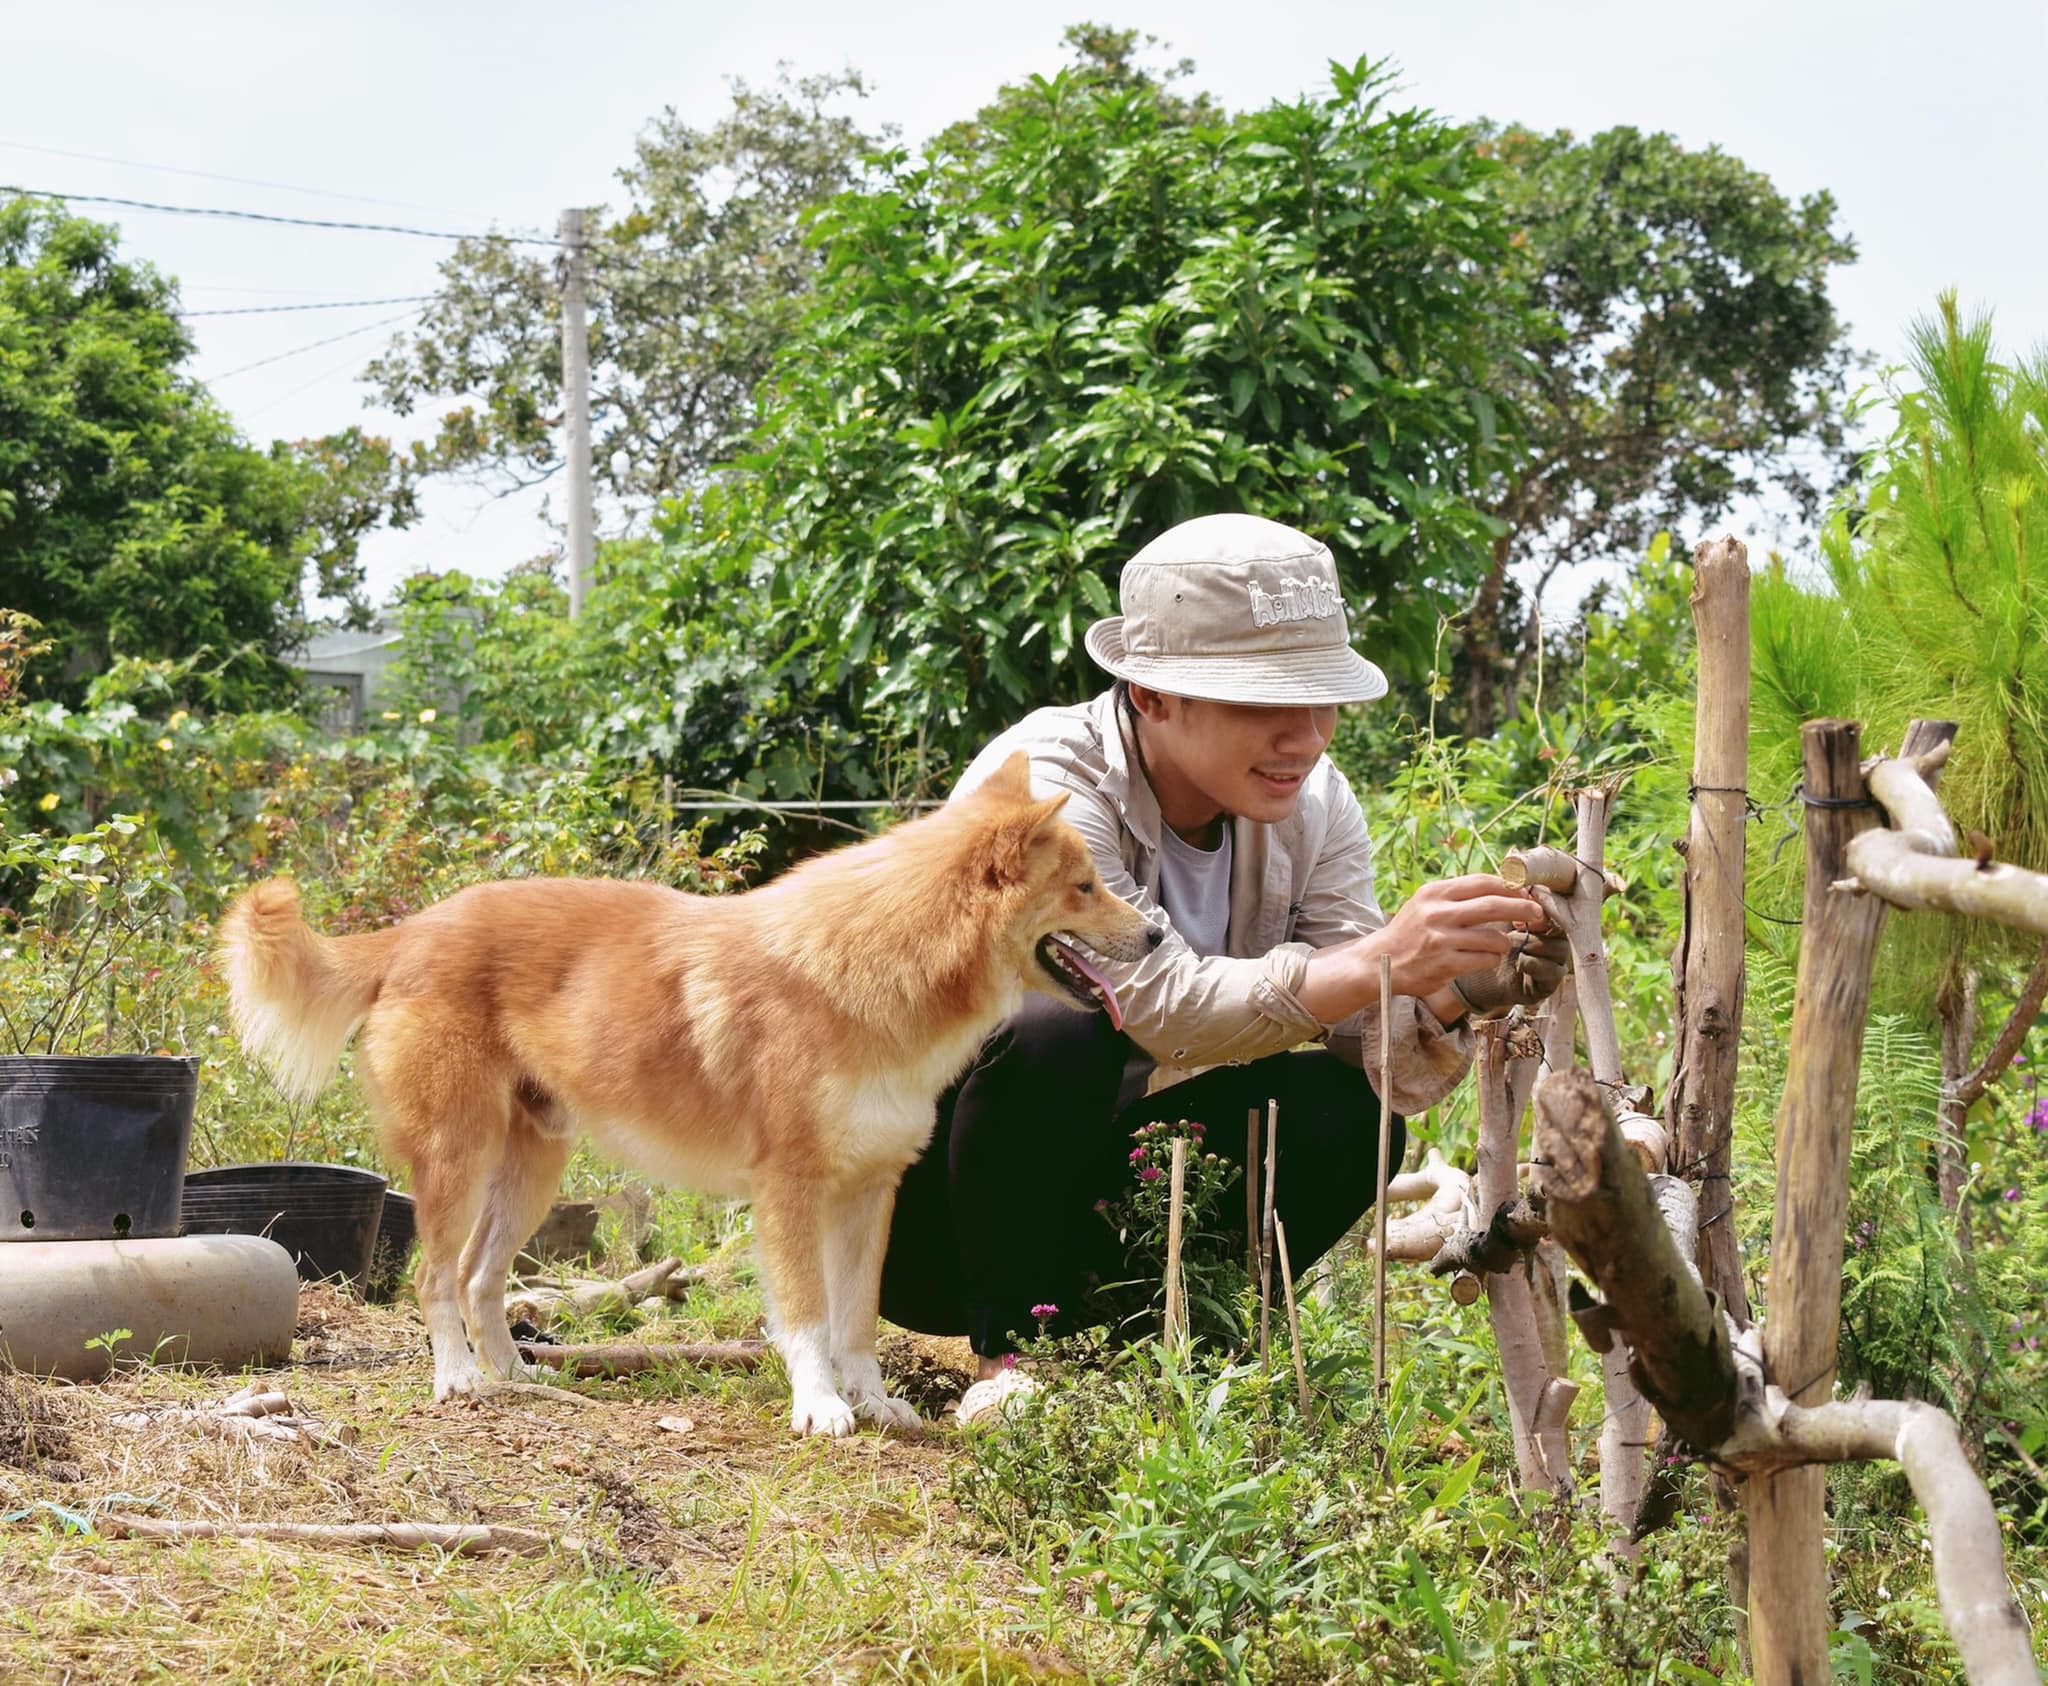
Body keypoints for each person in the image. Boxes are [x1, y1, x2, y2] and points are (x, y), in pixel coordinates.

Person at [877, 513, 1567, 1384]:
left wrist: (1451, 989)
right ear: (1153, 695)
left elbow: (1357, 1021)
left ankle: (1167, 1347)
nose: (1306, 736)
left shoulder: (1312, 802)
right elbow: (1152, 1002)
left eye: (1321, 700)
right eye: (1263, 703)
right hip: (922, 1213)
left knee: (1355, 1111)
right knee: (1066, 1021)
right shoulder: (1048, 787)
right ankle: (1012, 1363)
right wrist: (1386, 953)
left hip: (1099, 1183)